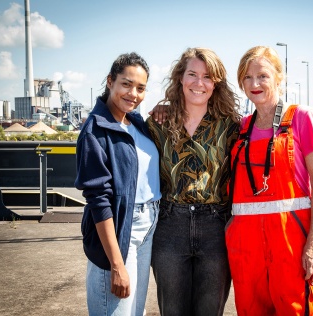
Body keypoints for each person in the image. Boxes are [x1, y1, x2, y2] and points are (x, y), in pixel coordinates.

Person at [225, 46, 313, 315]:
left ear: (279, 78)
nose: (254, 83)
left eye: (262, 76)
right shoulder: (240, 128)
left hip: (290, 247)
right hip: (246, 252)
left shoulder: (302, 118)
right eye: (247, 77)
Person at [146, 47, 241, 315]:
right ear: (180, 78)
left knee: (210, 310)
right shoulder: (157, 123)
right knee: (172, 311)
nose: (199, 83)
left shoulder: (231, 125)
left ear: (216, 84)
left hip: (216, 228)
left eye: (207, 77)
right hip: (170, 227)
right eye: (192, 74)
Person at [75, 52, 161, 316]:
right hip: (122, 227)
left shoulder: (135, 122)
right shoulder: (94, 131)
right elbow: (99, 200)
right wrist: (116, 264)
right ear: (110, 81)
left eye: (141, 88)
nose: (133, 93)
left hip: (149, 225)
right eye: (126, 84)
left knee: (135, 311)